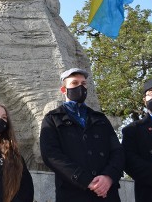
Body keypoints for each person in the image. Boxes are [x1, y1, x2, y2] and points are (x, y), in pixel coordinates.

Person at [40, 68, 125, 201]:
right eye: (74, 83)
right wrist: (86, 181)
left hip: (107, 193)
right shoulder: (52, 118)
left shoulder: (100, 118)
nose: (80, 86)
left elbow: (117, 151)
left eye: (83, 83)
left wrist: (108, 177)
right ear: (64, 89)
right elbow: (51, 155)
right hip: (73, 193)